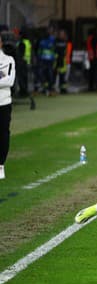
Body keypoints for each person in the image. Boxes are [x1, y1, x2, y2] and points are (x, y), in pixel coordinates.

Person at [0, 34, 16, 179]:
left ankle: (1, 165)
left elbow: (9, 81)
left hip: (3, 103)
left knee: (3, 134)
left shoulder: (8, 60)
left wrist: (3, 78)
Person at [37, 26, 56, 96]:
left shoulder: (53, 39)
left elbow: (54, 49)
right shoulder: (42, 40)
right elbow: (39, 50)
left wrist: (54, 58)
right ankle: (45, 88)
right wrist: (39, 57)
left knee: (50, 75)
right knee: (42, 74)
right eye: (48, 30)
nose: (49, 32)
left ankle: (50, 88)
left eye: (51, 30)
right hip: (43, 60)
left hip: (50, 60)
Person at [54, 28, 70, 94]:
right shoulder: (55, 41)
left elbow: (68, 52)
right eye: (60, 34)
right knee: (54, 75)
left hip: (63, 61)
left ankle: (63, 89)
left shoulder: (66, 42)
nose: (61, 35)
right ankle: (53, 88)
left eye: (62, 34)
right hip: (56, 60)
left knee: (62, 76)